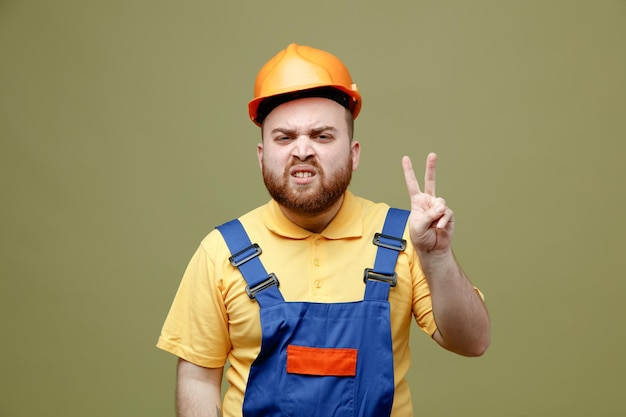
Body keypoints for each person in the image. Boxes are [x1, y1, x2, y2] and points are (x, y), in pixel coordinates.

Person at [157, 43, 490, 417]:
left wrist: (437, 256)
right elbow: (198, 379)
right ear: (262, 155)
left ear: (354, 152)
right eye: (284, 137)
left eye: (322, 136)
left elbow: (473, 341)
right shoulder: (221, 251)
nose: (302, 150)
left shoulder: (405, 240)